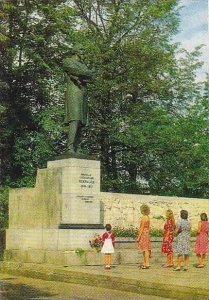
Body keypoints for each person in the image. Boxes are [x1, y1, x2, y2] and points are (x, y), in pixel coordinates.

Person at [63, 44, 93, 154]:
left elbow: (91, 77)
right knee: (74, 119)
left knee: (82, 121)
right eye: (81, 49)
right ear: (75, 51)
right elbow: (74, 71)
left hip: (83, 93)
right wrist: (84, 74)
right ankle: (69, 147)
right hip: (73, 92)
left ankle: (77, 147)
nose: (83, 51)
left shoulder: (83, 64)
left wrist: (84, 75)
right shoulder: (68, 61)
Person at [137, 204, 151, 269]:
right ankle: (145, 263)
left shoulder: (143, 218)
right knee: (146, 249)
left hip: (143, 234)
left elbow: (141, 228)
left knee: (144, 249)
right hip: (147, 233)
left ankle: (147, 263)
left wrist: (138, 237)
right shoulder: (148, 217)